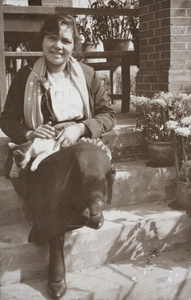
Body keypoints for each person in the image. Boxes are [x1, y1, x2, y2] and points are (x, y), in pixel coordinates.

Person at [0, 13, 116, 299]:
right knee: (53, 176)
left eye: (66, 40)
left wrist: (80, 128)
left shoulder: (88, 75)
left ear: (73, 45)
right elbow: (7, 119)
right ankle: (59, 250)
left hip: (81, 146)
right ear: (42, 40)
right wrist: (29, 134)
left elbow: (108, 115)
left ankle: (91, 197)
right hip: (44, 154)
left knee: (87, 153)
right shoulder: (26, 76)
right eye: (52, 38)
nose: (58, 46)